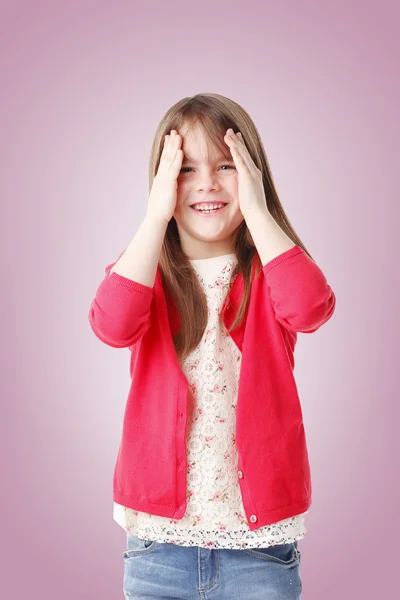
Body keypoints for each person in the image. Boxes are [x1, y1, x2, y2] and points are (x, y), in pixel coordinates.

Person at [88, 93, 336, 599]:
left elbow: (311, 309)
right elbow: (111, 324)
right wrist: (154, 220)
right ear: (161, 182)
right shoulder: (146, 269)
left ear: (252, 172)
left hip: (259, 548)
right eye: (184, 168)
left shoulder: (271, 268)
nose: (205, 183)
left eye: (226, 165)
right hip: (159, 546)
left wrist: (260, 212)